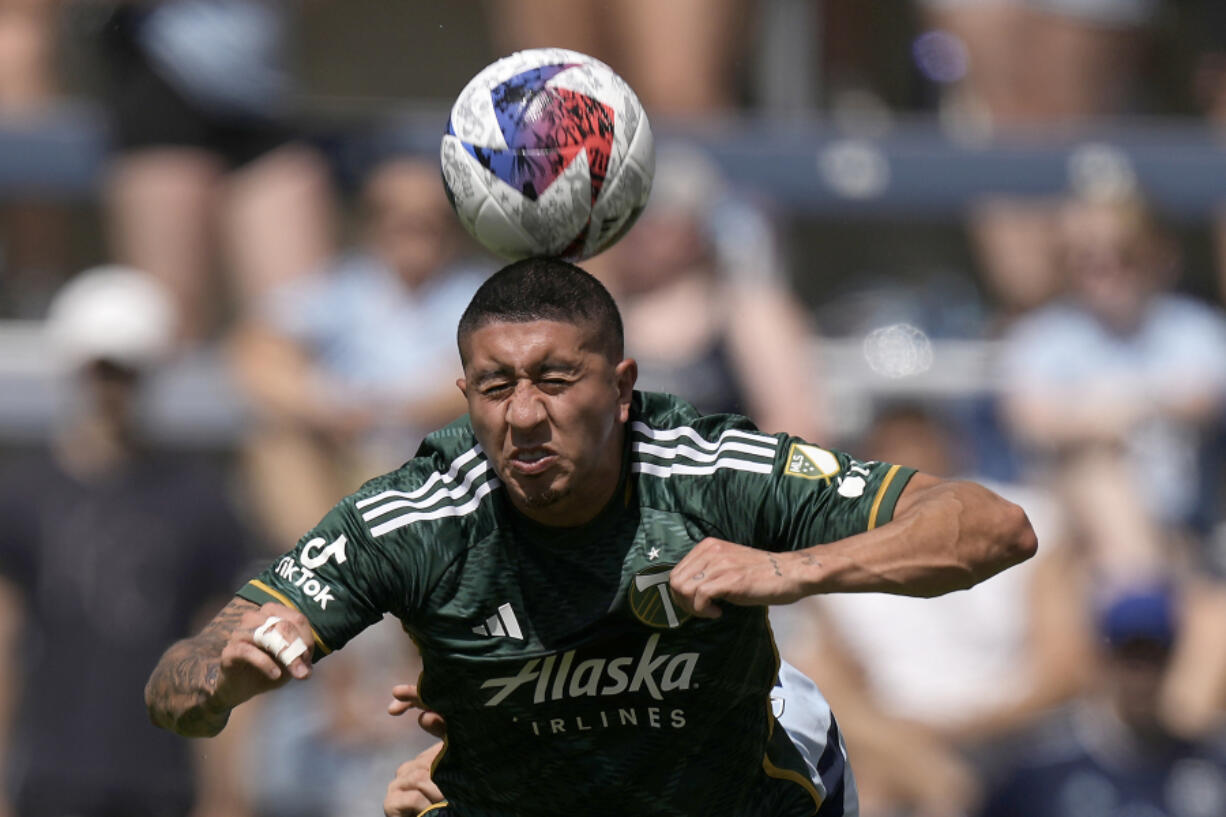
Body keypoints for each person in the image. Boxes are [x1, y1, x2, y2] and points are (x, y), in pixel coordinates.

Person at [145, 258, 1037, 817]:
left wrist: (787, 570)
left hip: (743, 800)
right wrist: (225, 677)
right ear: (464, 396)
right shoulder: (412, 517)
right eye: (495, 387)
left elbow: (995, 528)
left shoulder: (706, 469)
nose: (524, 414)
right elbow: (177, 683)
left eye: (554, 378)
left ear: (620, 387)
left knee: (799, 711)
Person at [0, 266, 254, 817]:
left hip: (164, 779)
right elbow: (5, 637)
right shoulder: (21, 494)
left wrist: (226, 790)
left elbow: (224, 647)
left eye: (128, 370)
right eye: (103, 368)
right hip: (48, 775)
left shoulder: (199, 499)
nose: (114, 386)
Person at [976, 585, 1226, 817]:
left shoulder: (1206, 766)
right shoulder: (1047, 766)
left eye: (1153, 657)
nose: (1141, 675)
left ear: (1171, 660)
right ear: (1105, 659)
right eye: (1129, 657)